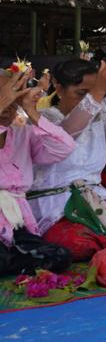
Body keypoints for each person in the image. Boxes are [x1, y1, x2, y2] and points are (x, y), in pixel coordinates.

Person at [28, 59, 106, 262]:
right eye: (81, 93)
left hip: (96, 203)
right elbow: (65, 137)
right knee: (80, 244)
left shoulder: (97, 122)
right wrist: (96, 92)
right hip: (56, 210)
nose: (90, 101)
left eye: (94, 94)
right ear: (58, 87)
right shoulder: (42, 120)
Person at [0, 69, 75, 275]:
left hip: (16, 223)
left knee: (60, 256)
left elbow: (64, 148)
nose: (8, 104)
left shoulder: (20, 129)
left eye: (13, 95)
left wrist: (30, 111)